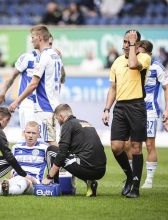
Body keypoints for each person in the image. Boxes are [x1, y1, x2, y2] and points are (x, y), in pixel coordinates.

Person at [102, 30, 151, 198]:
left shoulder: (144, 58)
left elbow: (132, 65)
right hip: (121, 107)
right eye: (124, 41)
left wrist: (132, 45)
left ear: (137, 44)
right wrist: (107, 109)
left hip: (137, 105)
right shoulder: (116, 62)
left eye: (129, 42)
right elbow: (113, 88)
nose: (125, 44)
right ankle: (130, 177)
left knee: (136, 147)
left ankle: (135, 187)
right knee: (116, 146)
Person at [9, 25, 63, 146]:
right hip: (54, 104)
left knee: (50, 142)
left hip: (45, 106)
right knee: (47, 141)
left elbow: (33, 84)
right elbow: (60, 82)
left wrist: (17, 101)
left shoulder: (44, 56)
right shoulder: (57, 57)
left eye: (33, 37)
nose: (31, 40)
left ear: (39, 37)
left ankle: (64, 164)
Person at [125, 40, 168, 189]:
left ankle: (149, 180)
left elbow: (166, 87)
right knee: (130, 144)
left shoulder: (157, 67)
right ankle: (132, 177)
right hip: (134, 109)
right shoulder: (134, 64)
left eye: (141, 51)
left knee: (149, 144)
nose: (138, 53)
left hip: (150, 111)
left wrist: (167, 109)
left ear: (148, 53)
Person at [42, 104, 106, 197]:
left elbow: (61, 153)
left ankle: (54, 185)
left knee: (51, 150)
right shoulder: (86, 123)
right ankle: (90, 182)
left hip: (87, 168)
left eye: (57, 119)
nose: (58, 122)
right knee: (74, 156)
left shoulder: (67, 125)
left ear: (61, 116)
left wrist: (49, 176)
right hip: (101, 170)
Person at [0, 121, 47, 196]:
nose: (30, 135)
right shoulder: (16, 147)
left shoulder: (44, 148)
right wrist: (9, 179)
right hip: (16, 178)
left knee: (23, 181)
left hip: (33, 182)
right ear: (24, 133)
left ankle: (7, 191)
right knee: (1, 184)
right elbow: (13, 165)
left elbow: (52, 166)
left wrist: (49, 180)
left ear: (38, 134)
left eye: (33, 133)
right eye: (28, 132)